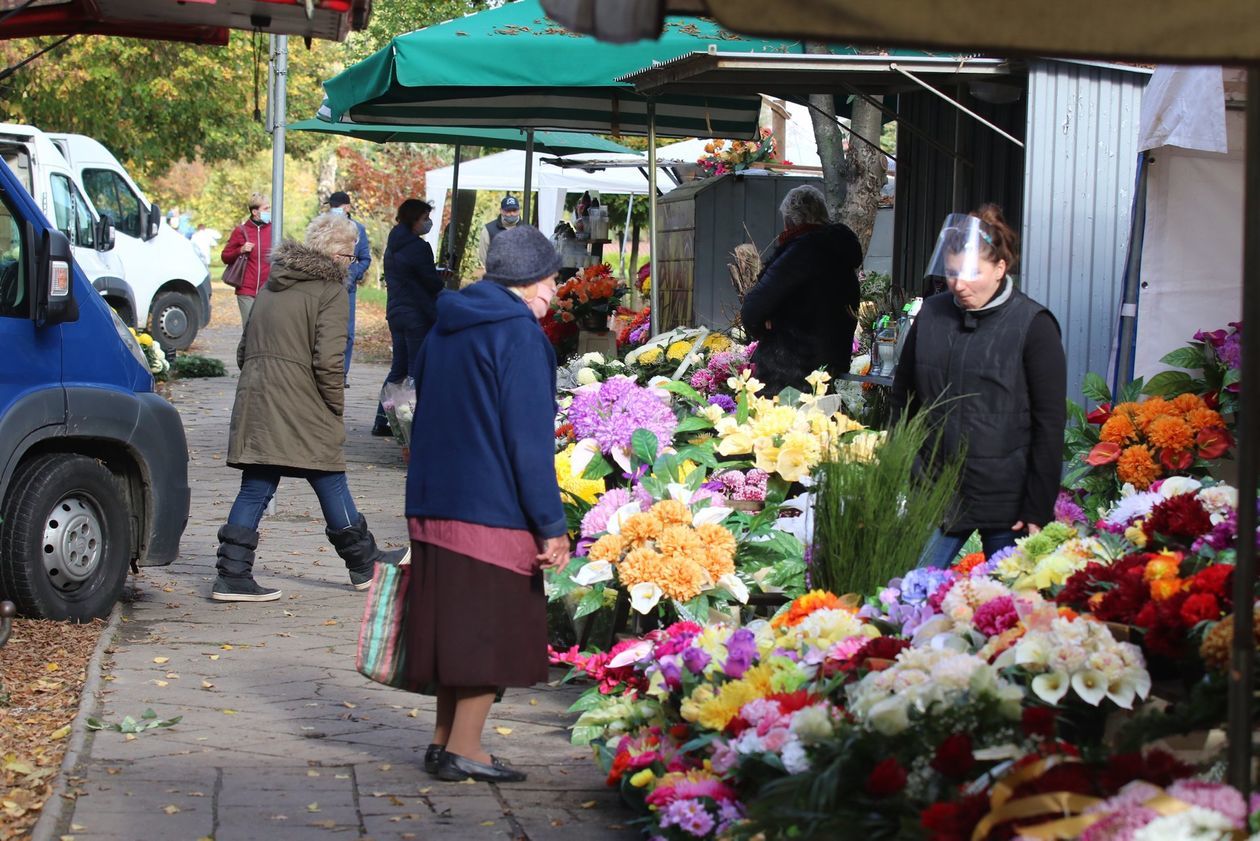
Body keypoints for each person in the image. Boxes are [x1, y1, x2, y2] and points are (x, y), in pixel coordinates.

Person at [404, 224, 568, 784]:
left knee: (452, 623)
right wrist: (550, 524)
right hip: (489, 505)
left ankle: (444, 740)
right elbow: (529, 440)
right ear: (529, 283)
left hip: (432, 499)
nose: (555, 292)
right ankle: (467, 749)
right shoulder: (521, 337)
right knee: (485, 628)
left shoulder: (446, 325)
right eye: (551, 279)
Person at [213, 212, 407, 602]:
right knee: (328, 471)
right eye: (351, 257)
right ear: (337, 253)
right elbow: (329, 362)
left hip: (258, 396)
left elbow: (243, 348)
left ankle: (232, 573)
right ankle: (363, 564)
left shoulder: (272, 283)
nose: (351, 265)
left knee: (258, 483)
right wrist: (334, 409)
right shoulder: (330, 290)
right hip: (302, 400)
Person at [891, 204, 1067, 568]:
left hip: (1006, 497)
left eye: (972, 273)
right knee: (903, 592)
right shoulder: (933, 314)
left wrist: (1038, 502)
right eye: (952, 273)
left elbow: (1049, 423)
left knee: (1007, 606)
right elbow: (903, 399)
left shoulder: (1034, 325)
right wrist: (900, 465)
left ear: (1001, 268)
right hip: (935, 490)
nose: (959, 284)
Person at [739, 184, 863, 396]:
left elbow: (752, 309)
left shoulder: (804, 250)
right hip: (828, 366)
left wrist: (768, 322)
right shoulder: (840, 253)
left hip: (789, 371)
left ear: (792, 219)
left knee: (776, 426)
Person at [371, 198, 444, 436]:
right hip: (417, 313)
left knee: (398, 368)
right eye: (425, 218)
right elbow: (430, 282)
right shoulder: (418, 248)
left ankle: (382, 419)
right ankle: (410, 423)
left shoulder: (393, 244)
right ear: (414, 219)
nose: (428, 223)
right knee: (415, 369)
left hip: (395, 311)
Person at [327, 191, 371, 388]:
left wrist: (354, 274)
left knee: (347, 332)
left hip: (348, 287)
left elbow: (365, 258)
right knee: (325, 328)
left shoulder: (358, 230)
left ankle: (342, 373)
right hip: (326, 285)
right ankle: (325, 370)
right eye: (333, 208)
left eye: (339, 207)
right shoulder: (324, 227)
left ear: (347, 208)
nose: (336, 211)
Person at [220, 193, 273, 327]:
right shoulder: (241, 231)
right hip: (246, 290)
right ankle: (248, 349)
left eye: (269, 208)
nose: (269, 212)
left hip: (268, 289)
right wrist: (240, 250)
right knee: (250, 329)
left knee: (266, 330)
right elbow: (225, 256)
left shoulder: (274, 230)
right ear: (255, 212)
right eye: (266, 209)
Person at [475, 195, 521, 268]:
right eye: (508, 211)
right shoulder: (488, 229)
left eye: (514, 210)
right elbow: (483, 256)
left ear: (519, 211)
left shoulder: (527, 229)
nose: (512, 214)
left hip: (522, 276)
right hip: (496, 276)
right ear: (501, 211)